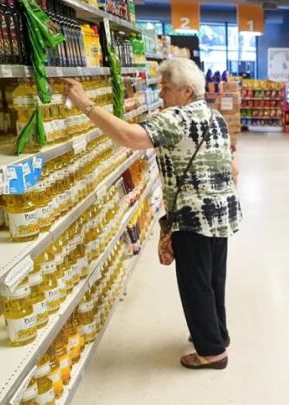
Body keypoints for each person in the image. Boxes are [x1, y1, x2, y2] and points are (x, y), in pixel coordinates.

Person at [61, 58, 242, 371]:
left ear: (186, 91)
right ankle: (217, 334)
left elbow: (129, 137)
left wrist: (84, 103)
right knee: (213, 279)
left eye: (166, 88)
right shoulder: (216, 118)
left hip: (192, 216)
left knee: (195, 283)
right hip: (222, 212)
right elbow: (233, 168)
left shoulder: (175, 118)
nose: (161, 94)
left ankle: (212, 352)